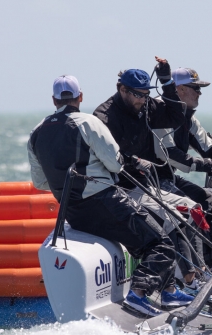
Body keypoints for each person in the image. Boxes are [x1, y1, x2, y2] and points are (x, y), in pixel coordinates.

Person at [27, 74, 193, 317]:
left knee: (146, 234)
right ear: (80, 97)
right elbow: (116, 165)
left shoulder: (37, 132)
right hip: (105, 202)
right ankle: (138, 295)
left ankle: (167, 291)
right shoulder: (88, 122)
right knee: (161, 242)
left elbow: (40, 182)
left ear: (54, 100)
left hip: (73, 213)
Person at [93, 57, 204, 289]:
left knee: (191, 210)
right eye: (137, 95)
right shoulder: (104, 117)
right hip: (121, 188)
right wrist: (134, 162)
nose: (143, 100)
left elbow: (176, 116)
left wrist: (165, 81)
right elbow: (108, 157)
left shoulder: (146, 106)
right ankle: (181, 284)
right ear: (121, 89)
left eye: (146, 94)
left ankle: (194, 277)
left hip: (147, 185)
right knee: (171, 221)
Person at [152, 67, 212, 284]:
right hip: (152, 179)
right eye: (195, 88)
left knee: (211, 201)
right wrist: (203, 165)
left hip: (169, 178)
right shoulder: (161, 111)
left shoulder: (188, 117)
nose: (200, 93)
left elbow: (210, 149)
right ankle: (196, 276)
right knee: (192, 209)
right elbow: (169, 154)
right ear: (179, 89)